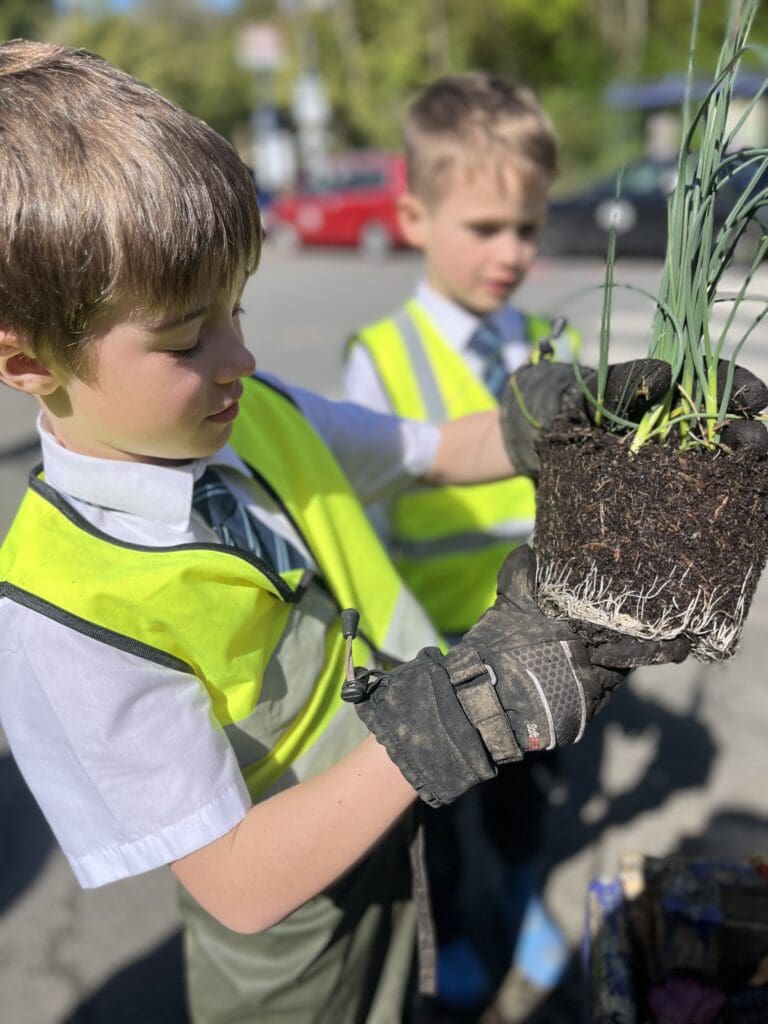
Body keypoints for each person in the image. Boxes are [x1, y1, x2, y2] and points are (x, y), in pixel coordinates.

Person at [0, 41, 688, 1024]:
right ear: (28, 362)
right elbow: (238, 885)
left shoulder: (258, 410)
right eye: (189, 337)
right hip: (299, 941)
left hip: (401, 816)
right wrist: (460, 714)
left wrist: (557, 421)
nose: (238, 355)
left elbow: (430, 451)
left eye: (237, 309)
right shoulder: (62, 612)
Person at [343, 73, 578, 1016]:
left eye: (528, 227)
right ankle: (458, 939)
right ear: (413, 214)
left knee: (527, 803)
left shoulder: (544, 341)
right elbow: (359, 523)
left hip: (542, 650)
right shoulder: (381, 358)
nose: (512, 253)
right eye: (485, 228)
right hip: (431, 659)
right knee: (437, 820)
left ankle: (517, 906)